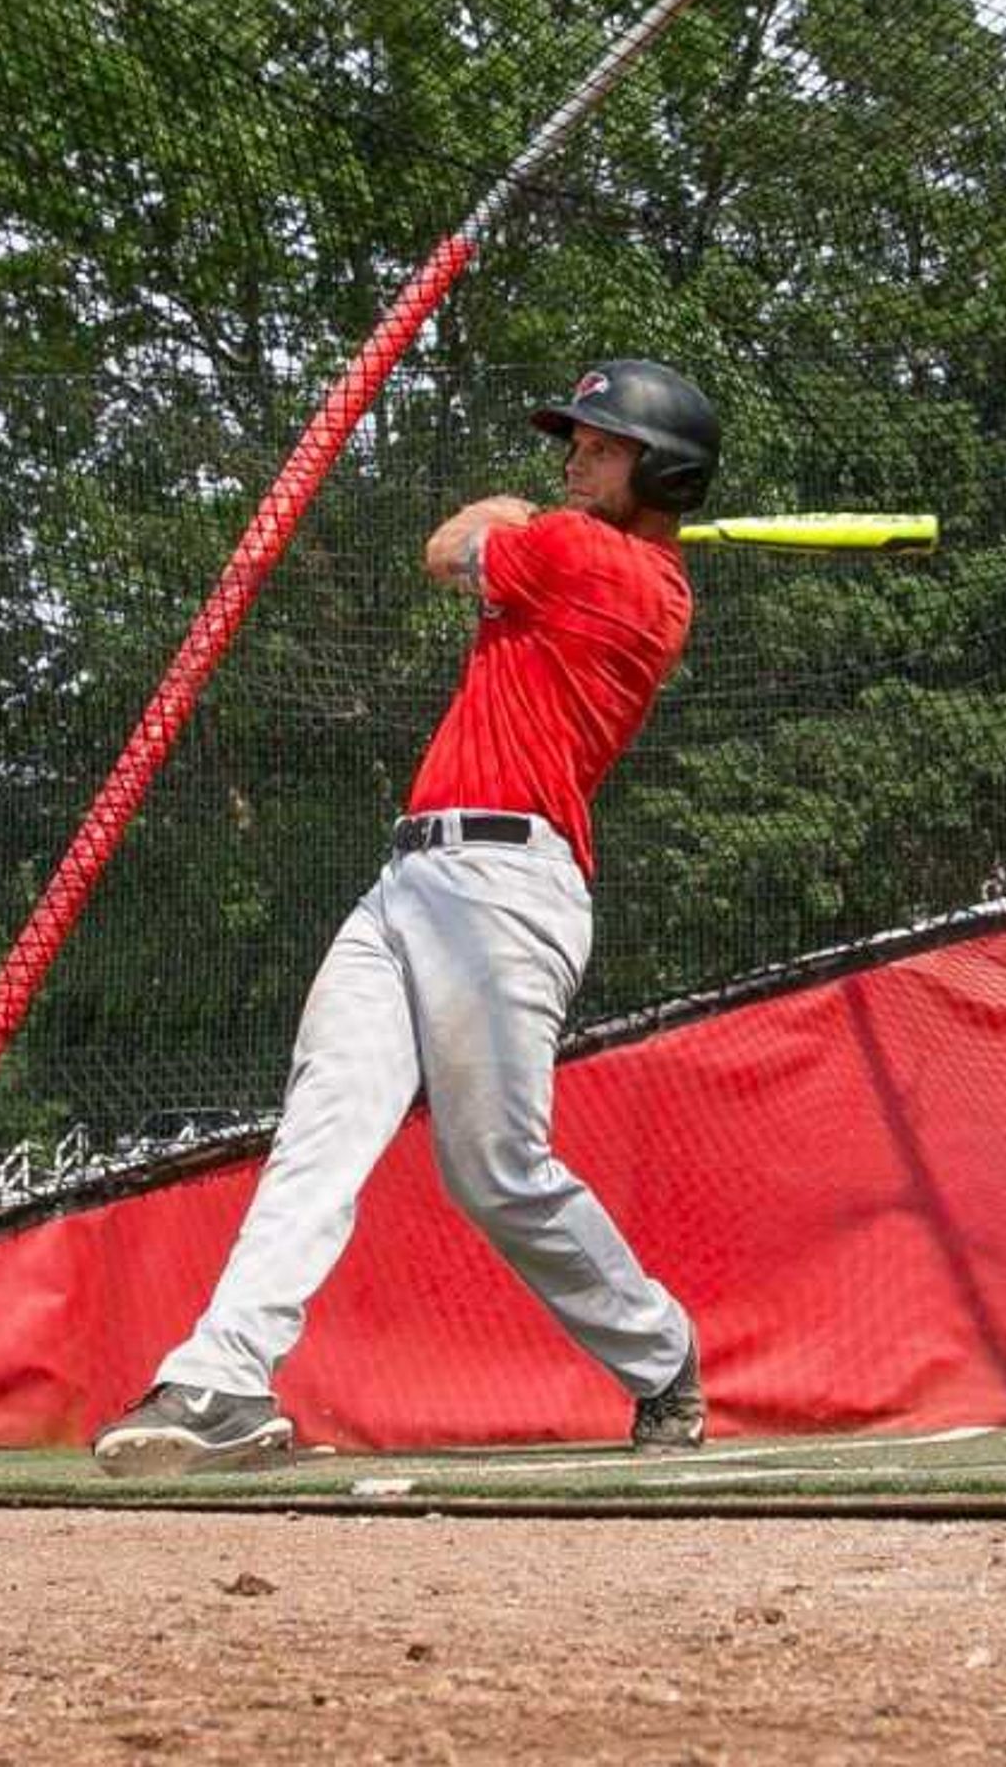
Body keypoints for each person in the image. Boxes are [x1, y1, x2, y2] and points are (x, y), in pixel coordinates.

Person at [96, 359, 721, 1477]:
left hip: (509, 889)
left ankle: (660, 1351)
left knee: (496, 1171)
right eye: (573, 440)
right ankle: (225, 1374)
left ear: (662, 467)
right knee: (323, 1126)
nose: (572, 456)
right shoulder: (593, 552)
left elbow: (444, 544)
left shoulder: (593, 563)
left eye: (600, 442)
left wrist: (513, 512)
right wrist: (533, 513)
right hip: (408, 879)